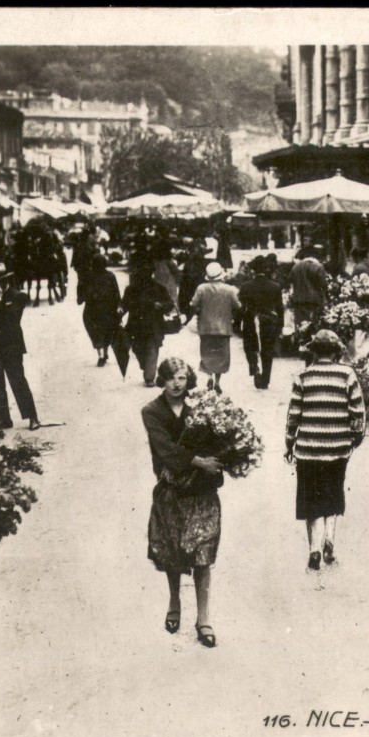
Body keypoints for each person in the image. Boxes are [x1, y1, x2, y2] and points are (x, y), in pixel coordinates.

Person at [141, 357, 226, 648]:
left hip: (202, 491)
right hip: (172, 491)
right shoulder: (151, 411)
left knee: (203, 553)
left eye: (181, 377)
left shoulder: (201, 404)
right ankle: (174, 601)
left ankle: (203, 619)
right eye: (171, 378)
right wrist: (200, 461)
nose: (177, 384)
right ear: (162, 380)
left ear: (189, 379)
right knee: (173, 551)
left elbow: (219, 437)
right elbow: (164, 449)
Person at [285, 330, 367, 570]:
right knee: (333, 493)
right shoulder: (347, 375)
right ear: (336, 352)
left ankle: (314, 549)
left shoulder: (303, 377)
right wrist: (355, 438)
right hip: (337, 448)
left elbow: (294, 414)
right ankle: (329, 539)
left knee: (311, 498)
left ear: (314, 352)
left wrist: (289, 442)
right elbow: (358, 412)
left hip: (308, 450)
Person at [0, 266, 41, 431]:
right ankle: (4, 419)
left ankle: (32, 417)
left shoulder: (17, 296)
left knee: (18, 381)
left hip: (11, 345)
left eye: (0, 282)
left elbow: (13, 317)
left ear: (6, 281)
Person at [190, 262, 242, 394]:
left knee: (207, 354)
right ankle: (218, 382)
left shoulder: (201, 288)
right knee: (221, 356)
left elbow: (193, 304)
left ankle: (209, 377)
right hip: (223, 328)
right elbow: (238, 306)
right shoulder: (229, 289)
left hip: (206, 327)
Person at [122, 263, 173, 387]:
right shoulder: (131, 289)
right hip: (136, 326)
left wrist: (161, 306)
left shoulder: (159, 288)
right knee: (138, 349)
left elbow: (170, 303)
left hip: (154, 326)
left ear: (151, 274)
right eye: (142, 273)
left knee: (152, 349)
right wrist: (120, 310)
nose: (145, 276)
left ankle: (149, 377)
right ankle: (146, 366)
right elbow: (124, 303)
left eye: (148, 273)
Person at [238, 256, 285, 390]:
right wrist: (280, 324)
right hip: (268, 320)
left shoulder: (246, 286)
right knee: (267, 349)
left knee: (250, 347)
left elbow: (241, 307)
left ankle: (254, 367)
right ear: (266, 268)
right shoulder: (275, 286)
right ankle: (265, 379)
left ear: (253, 270)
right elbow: (280, 308)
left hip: (250, 320)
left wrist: (238, 323)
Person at [77, 254, 122, 367]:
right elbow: (116, 293)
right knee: (107, 331)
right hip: (108, 310)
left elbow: (81, 291)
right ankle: (104, 353)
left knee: (95, 332)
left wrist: (80, 298)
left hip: (92, 310)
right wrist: (118, 307)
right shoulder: (110, 276)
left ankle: (101, 355)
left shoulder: (87, 276)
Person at [288, 255, 328, 330]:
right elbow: (323, 284)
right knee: (312, 326)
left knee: (300, 326)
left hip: (298, 301)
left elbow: (289, 279)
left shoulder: (296, 266)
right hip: (313, 302)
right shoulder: (318, 267)